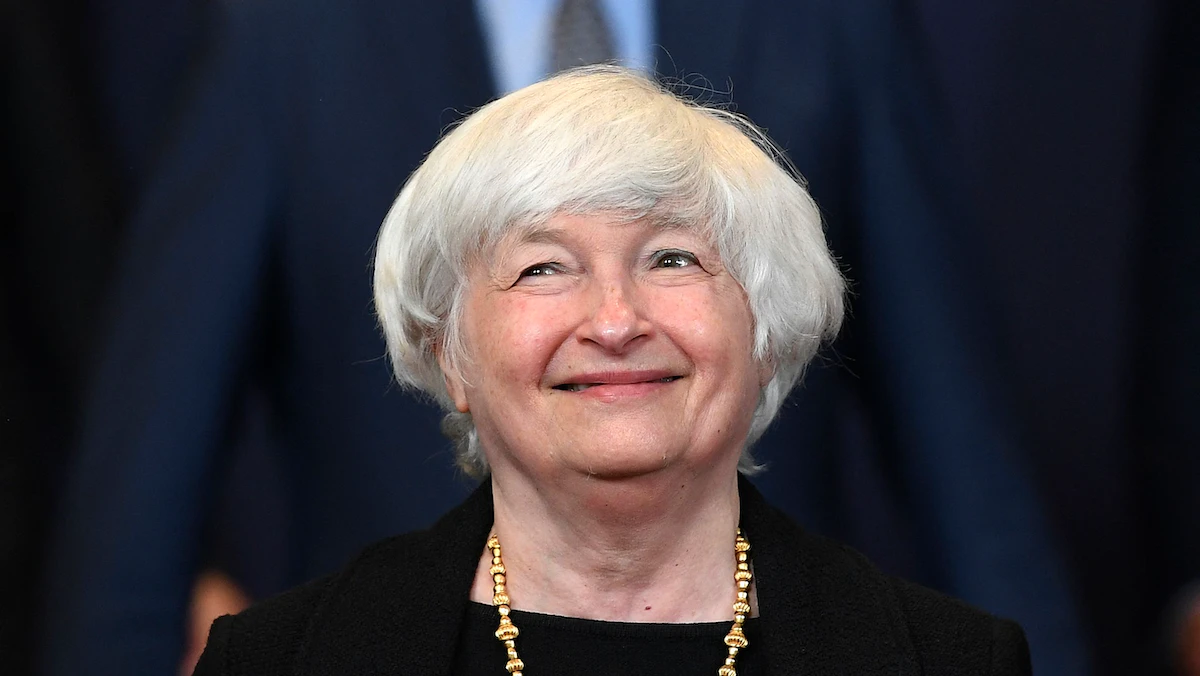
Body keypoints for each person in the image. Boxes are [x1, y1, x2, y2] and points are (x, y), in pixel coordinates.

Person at [43, 2, 1086, 674]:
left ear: (772, 328)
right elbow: (149, 462)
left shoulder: (829, 21)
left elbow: (964, 446)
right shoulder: (285, 37)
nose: (615, 320)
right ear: (444, 349)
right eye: (542, 269)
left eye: (673, 258)